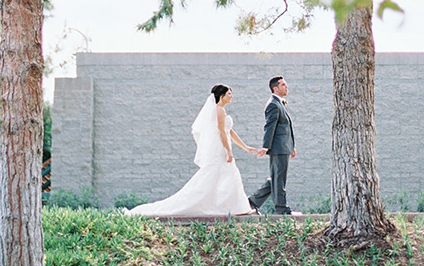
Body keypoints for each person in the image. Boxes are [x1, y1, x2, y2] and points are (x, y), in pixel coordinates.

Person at [127, 84, 259, 217]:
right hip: (219, 149)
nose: (232, 96)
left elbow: (229, 131)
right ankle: (229, 207)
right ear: (222, 95)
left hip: (221, 147)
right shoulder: (219, 110)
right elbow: (221, 132)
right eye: (229, 94)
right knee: (218, 175)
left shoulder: (221, 111)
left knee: (226, 175)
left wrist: (245, 147)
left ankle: (232, 207)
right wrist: (228, 150)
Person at [249, 76, 301, 216]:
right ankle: (282, 209)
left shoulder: (280, 103)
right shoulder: (273, 104)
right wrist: (265, 147)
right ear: (275, 88)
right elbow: (269, 126)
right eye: (283, 85)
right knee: (279, 178)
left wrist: (291, 146)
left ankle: (252, 202)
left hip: (284, 147)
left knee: (276, 177)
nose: (287, 87)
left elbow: (284, 127)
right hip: (278, 148)